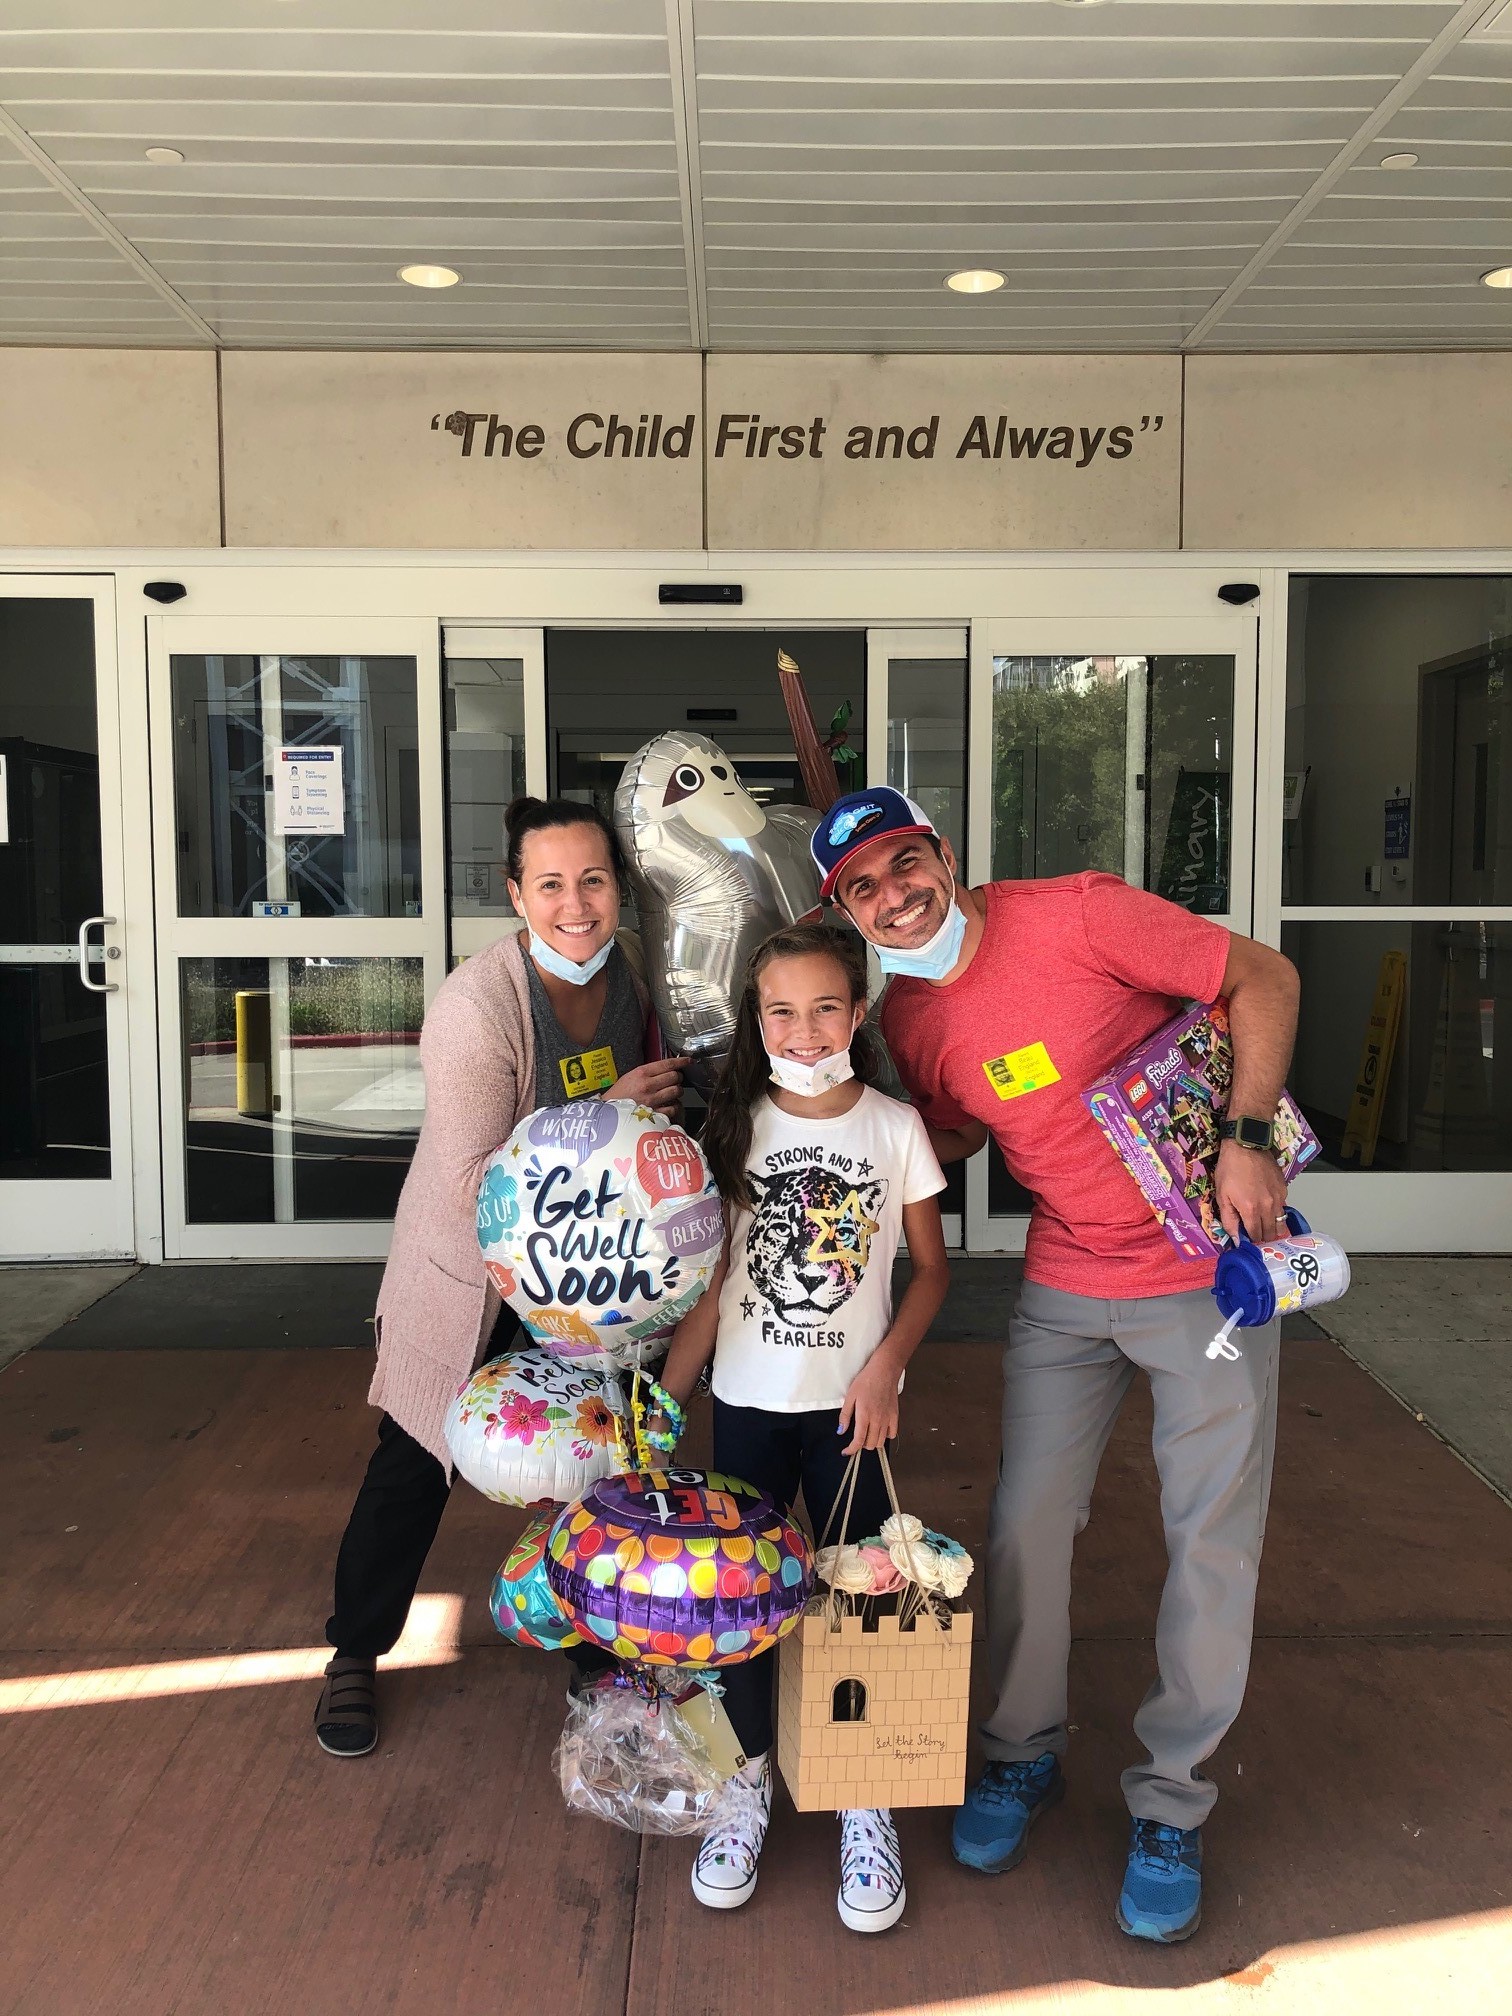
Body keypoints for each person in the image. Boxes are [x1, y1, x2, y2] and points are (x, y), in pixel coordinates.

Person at [810, 787, 1300, 1946]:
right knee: (1025, 1522)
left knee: (1210, 1540)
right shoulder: (913, 1017)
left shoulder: (1077, 914)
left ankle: (1171, 1801)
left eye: (904, 863)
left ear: (944, 851)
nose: (894, 896)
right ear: (849, 913)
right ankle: (1021, 1753)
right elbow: (960, 1128)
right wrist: (822, 1110)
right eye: (863, 889)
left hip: (1205, 1268)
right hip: (1070, 1276)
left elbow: (1264, 976)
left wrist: (1247, 1137)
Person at [313, 796, 687, 1757]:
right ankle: (355, 1649)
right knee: (416, 1458)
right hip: (472, 1275)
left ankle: (594, 1648)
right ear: (516, 895)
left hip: (587, 1269)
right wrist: (606, 1111)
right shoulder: (476, 1007)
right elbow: (473, 1180)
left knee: (599, 1456)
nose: (576, 904)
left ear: (618, 888)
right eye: (550, 884)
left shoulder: (631, 975)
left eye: (593, 880)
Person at [654, 922, 949, 1934]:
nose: (806, 1028)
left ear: (859, 1014)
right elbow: (710, 1288)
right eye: (782, 1010)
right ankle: (743, 1783)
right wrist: (666, 1404)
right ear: (758, 1018)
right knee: (740, 1605)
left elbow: (932, 1270)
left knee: (860, 1600)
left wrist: (887, 1366)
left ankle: (863, 1792)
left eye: (827, 1007)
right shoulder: (731, 1131)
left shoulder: (895, 1128)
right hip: (746, 1406)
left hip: (850, 1415)